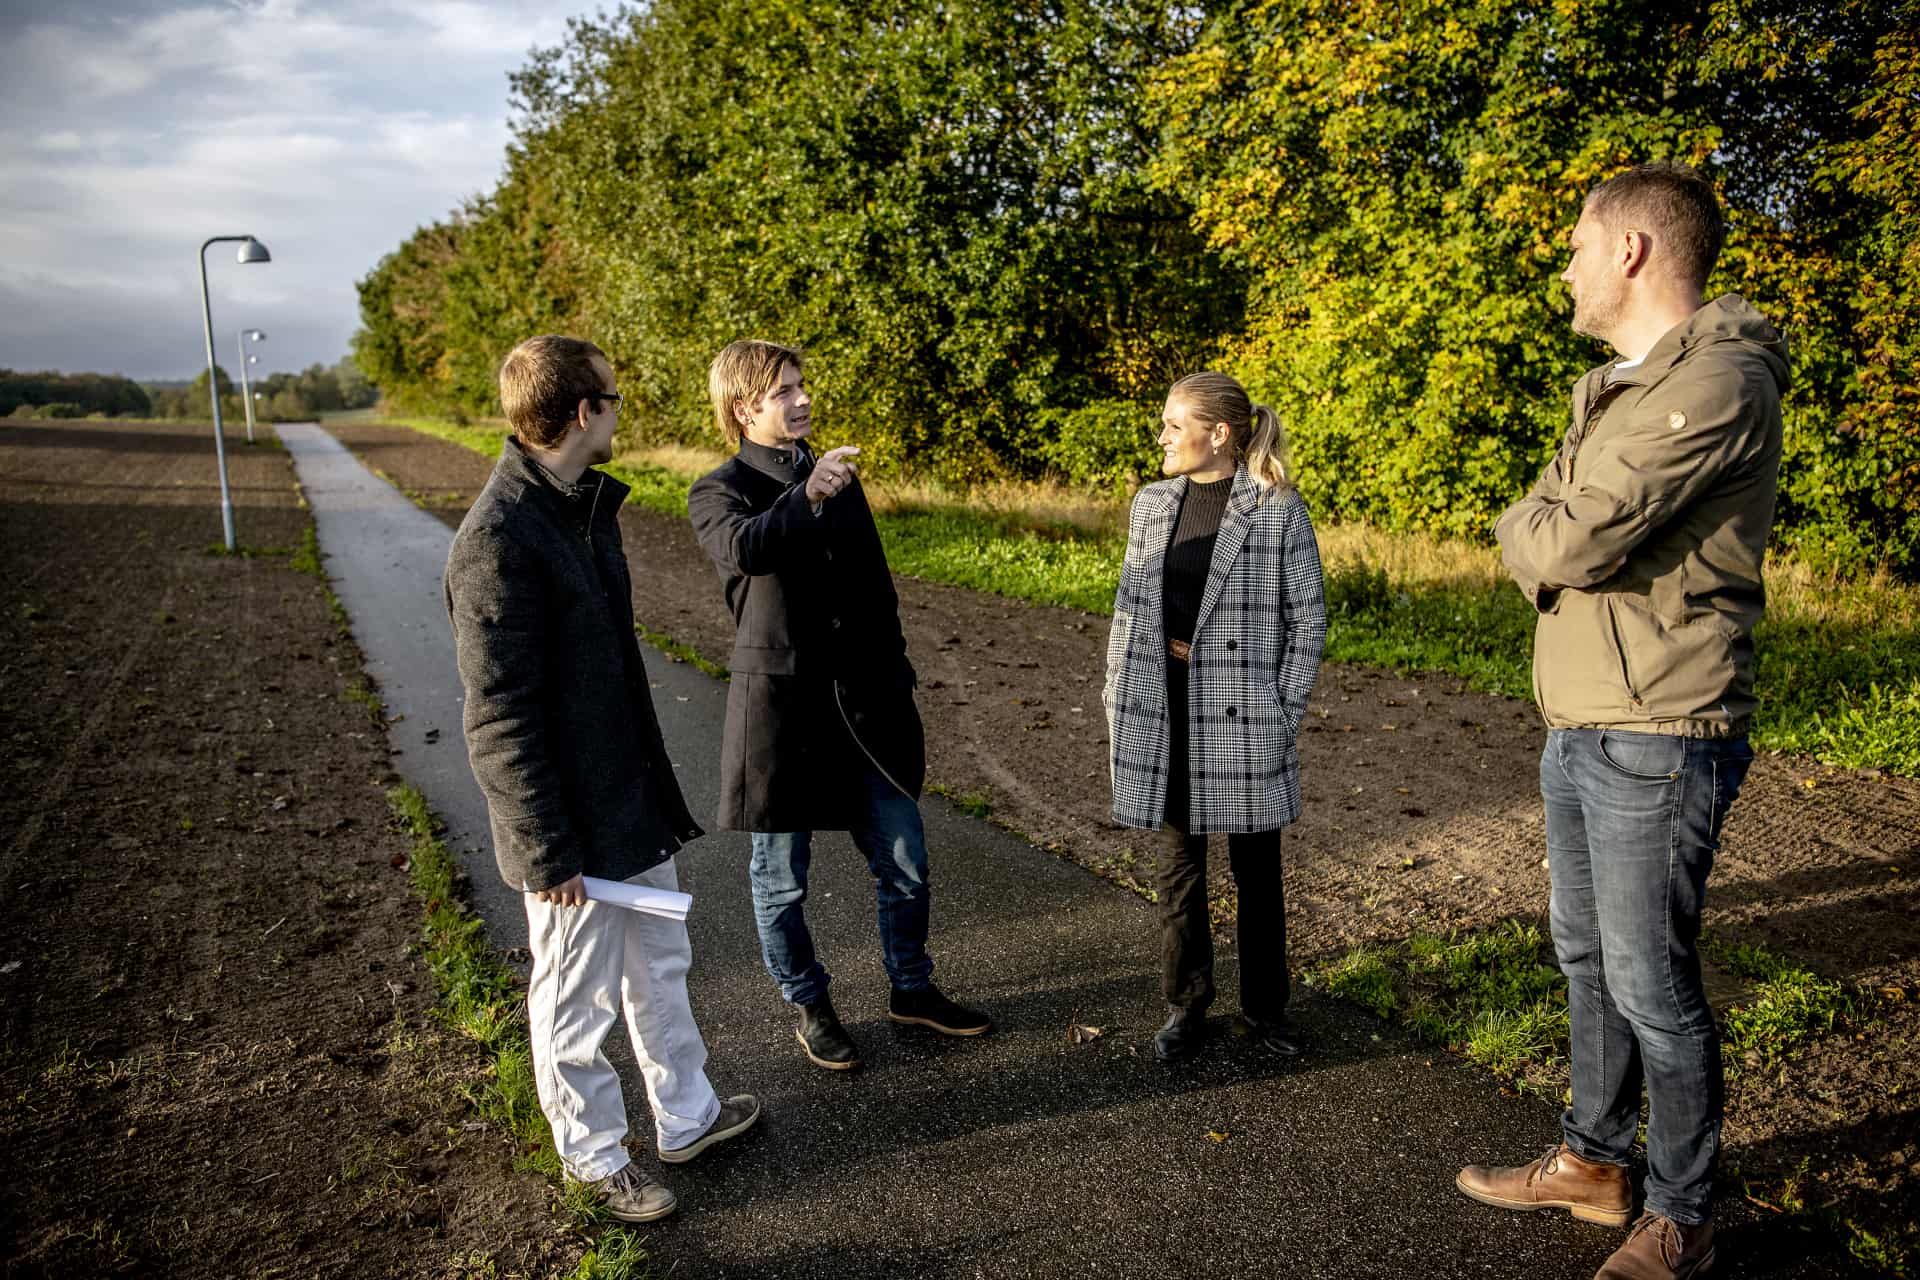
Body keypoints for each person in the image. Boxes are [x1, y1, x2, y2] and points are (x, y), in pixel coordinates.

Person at [1458, 164, 1786, 1280]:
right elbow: (1546, 519)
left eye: (1577, 245)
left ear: (1635, 250)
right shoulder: (1617, 386)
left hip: (1662, 722)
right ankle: (1595, 1163)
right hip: (1581, 714)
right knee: (1587, 955)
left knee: (1652, 976)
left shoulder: (1722, 380)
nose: (1567, 265)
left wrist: (1541, 527)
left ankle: (1686, 1211)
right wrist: (1542, 523)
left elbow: (1557, 541)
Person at [445, 335, 760, 1223]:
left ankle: (687, 1117)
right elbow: (498, 716)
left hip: (627, 807)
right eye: (614, 398)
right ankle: (592, 1160)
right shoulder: (500, 539)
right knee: (574, 998)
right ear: (584, 412)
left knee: (660, 963)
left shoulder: (578, 511)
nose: (622, 410)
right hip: (568, 834)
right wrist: (546, 854)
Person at [686, 339, 991, 1072]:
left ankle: (912, 990)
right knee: (781, 878)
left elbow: (874, 588)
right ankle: (810, 1005)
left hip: (864, 708)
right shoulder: (717, 489)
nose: (801, 399)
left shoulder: (838, 478)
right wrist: (808, 495)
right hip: (781, 715)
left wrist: (898, 678)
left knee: (905, 859)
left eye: (801, 385)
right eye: (783, 391)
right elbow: (747, 550)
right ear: (743, 409)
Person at [1104, 370, 1326, 1063]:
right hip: (1163, 704)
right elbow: (1128, 609)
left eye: (1175, 425)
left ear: (1218, 434)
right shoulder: (1151, 503)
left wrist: (1282, 712)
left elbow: (1308, 617)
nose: (1163, 436)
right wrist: (1118, 693)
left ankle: (1266, 1011)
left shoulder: (1276, 508)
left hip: (1244, 712)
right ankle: (1185, 1007)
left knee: (1257, 874)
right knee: (1179, 872)